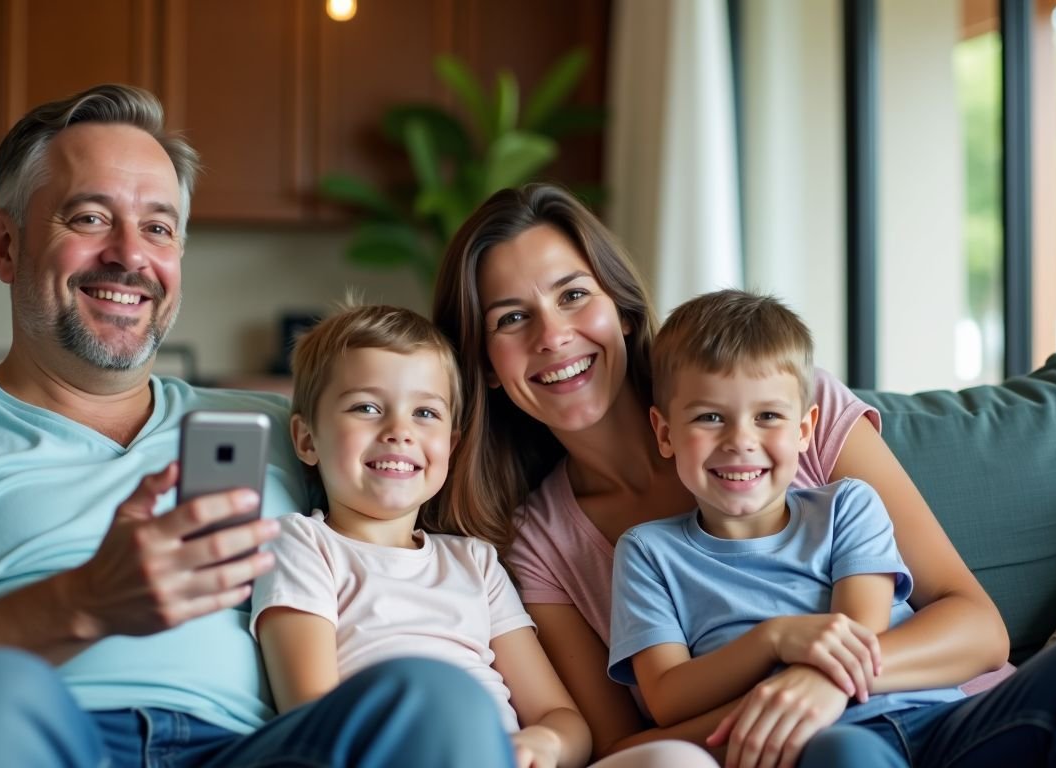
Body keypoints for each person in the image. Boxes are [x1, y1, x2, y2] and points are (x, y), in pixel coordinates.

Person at [0, 84, 514, 768]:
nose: (130, 255)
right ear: (6, 246)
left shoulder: (283, 427)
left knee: (436, 702)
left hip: (245, 752)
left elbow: (453, 450)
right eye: (88, 217)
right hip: (23, 737)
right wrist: (85, 601)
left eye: (158, 227)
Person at [425, 182, 1017, 765]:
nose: (552, 335)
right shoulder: (540, 546)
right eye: (510, 319)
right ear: (486, 367)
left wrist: (824, 684)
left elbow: (980, 629)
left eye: (574, 295)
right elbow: (620, 752)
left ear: (623, 311)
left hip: (969, 719)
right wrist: (777, 698)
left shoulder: (791, 409)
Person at [608, 289, 1056, 767]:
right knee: (844, 752)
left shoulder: (847, 505)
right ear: (665, 432)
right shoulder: (649, 553)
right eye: (709, 417)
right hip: (830, 742)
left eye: (768, 417)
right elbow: (669, 697)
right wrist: (775, 640)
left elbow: (859, 634)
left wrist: (817, 674)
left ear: (805, 430)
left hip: (938, 718)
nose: (740, 440)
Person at [252, 302, 595, 768]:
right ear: (307, 439)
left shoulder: (474, 562)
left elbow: (563, 719)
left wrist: (546, 744)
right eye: (366, 407)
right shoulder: (305, 545)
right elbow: (316, 721)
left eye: (425, 413)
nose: (399, 431)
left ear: (451, 446)